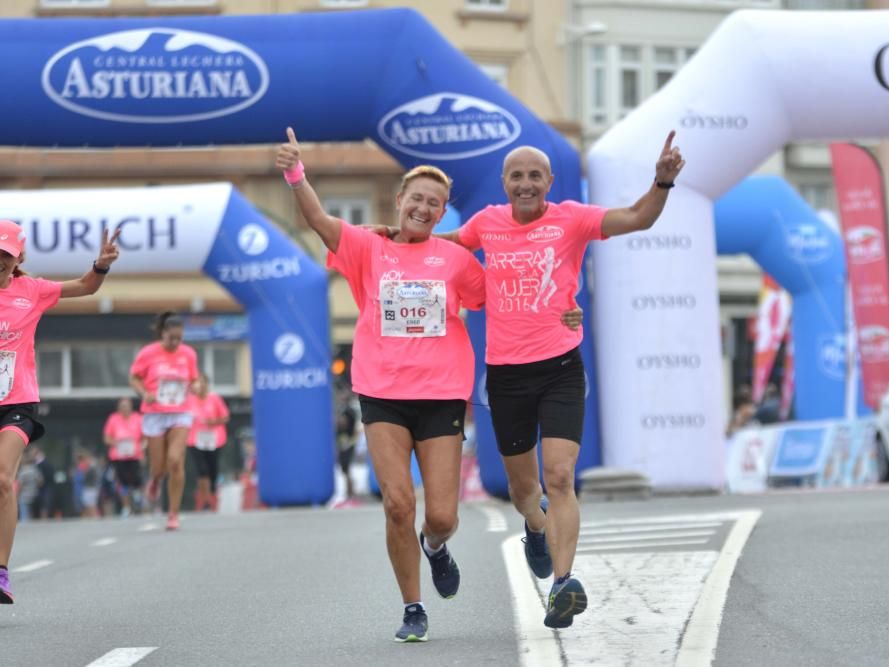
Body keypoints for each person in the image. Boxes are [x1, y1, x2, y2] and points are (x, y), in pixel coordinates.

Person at [276, 127, 587, 643]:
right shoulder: (367, 248)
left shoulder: (457, 261)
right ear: (400, 201)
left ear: (442, 213)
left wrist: (564, 309)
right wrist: (295, 174)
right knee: (398, 503)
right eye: (416, 198)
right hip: (381, 391)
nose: (423, 207)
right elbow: (317, 221)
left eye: (434, 203)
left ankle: (435, 546)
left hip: (442, 393)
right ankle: (414, 607)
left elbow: (516, 292)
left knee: (441, 515)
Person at [438, 132, 685, 628]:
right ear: (504, 184)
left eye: (535, 176)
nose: (526, 183)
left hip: (560, 369)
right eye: (517, 176)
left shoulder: (572, 217)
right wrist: (390, 235)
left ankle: (562, 585)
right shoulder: (486, 223)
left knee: (559, 476)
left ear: (549, 181)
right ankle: (535, 526)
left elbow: (637, 217)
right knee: (524, 489)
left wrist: (661, 181)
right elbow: (439, 250)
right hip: (506, 375)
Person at [0, 220, 120, 604]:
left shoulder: (32, 291)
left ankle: (0, 571)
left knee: (3, 479)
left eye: (5, 254)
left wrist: (101, 264)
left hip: (17, 402)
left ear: (19, 256)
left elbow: (86, 286)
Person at [129, 312, 199, 531]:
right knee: (159, 467)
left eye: (179, 338)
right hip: (155, 412)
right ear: (163, 334)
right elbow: (134, 377)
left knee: (175, 460)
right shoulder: (148, 353)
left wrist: (195, 386)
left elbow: (194, 378)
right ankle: (156, 480)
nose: (176, 343)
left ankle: (173, 513)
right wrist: (144, 393)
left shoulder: (188, 354)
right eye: (171, 338)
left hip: (180, 412)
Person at [186, 374, 230, 512]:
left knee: (212, 470)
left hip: (214, 440)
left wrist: (213, 422)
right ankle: (204, 500)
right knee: (201, 470)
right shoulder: (189, 400)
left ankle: (212, 496)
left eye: (202, 383)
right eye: (196, 383)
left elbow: (225, 417)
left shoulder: (214, 398)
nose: (199, 386)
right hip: (195, 440)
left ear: (206, 384)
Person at [103, 396, 145, 516]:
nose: (125, 409)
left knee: (137, 480)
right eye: (122, 406)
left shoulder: (138, 418)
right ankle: (126, 507)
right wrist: (116, 443)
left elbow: (145, 437)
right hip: (119, 456)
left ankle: (138, 502)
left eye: (127, 406)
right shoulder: (113, 419)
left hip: (135, 455)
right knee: (122, 482)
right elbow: (107, 438)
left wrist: (143, 447)